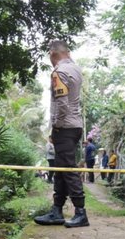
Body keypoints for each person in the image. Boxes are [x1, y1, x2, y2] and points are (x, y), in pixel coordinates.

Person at [34, 40, 89, 228]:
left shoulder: (59, 72)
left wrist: (56, 125)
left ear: (52, 54)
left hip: (65, 127)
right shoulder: (75, 68)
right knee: (60, 169)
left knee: (68, 169)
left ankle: (81, 212)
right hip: (74, 127)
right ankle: (56, 210)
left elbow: (62, 104)